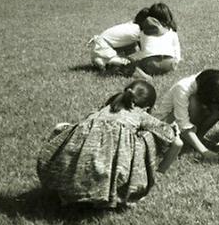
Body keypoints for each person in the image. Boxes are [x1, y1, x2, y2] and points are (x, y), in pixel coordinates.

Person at [37, 80, 182, 208]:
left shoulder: (100, 112)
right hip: (104, 176)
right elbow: (173, 139)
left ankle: (71, 191)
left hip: (64, 172)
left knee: (65, 128)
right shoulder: (139, 114)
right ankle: (120, 191)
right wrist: (173, 129)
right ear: (147, 107)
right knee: (145, 138)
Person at [154, 69, 219, 159]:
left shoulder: (213, 82)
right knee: (193, 103)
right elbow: (183, 125)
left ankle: (196, 140)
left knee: (218, 107)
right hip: (164, 127)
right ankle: (185, 143)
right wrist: (206, 153)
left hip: (184, 126)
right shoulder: (182, 89)